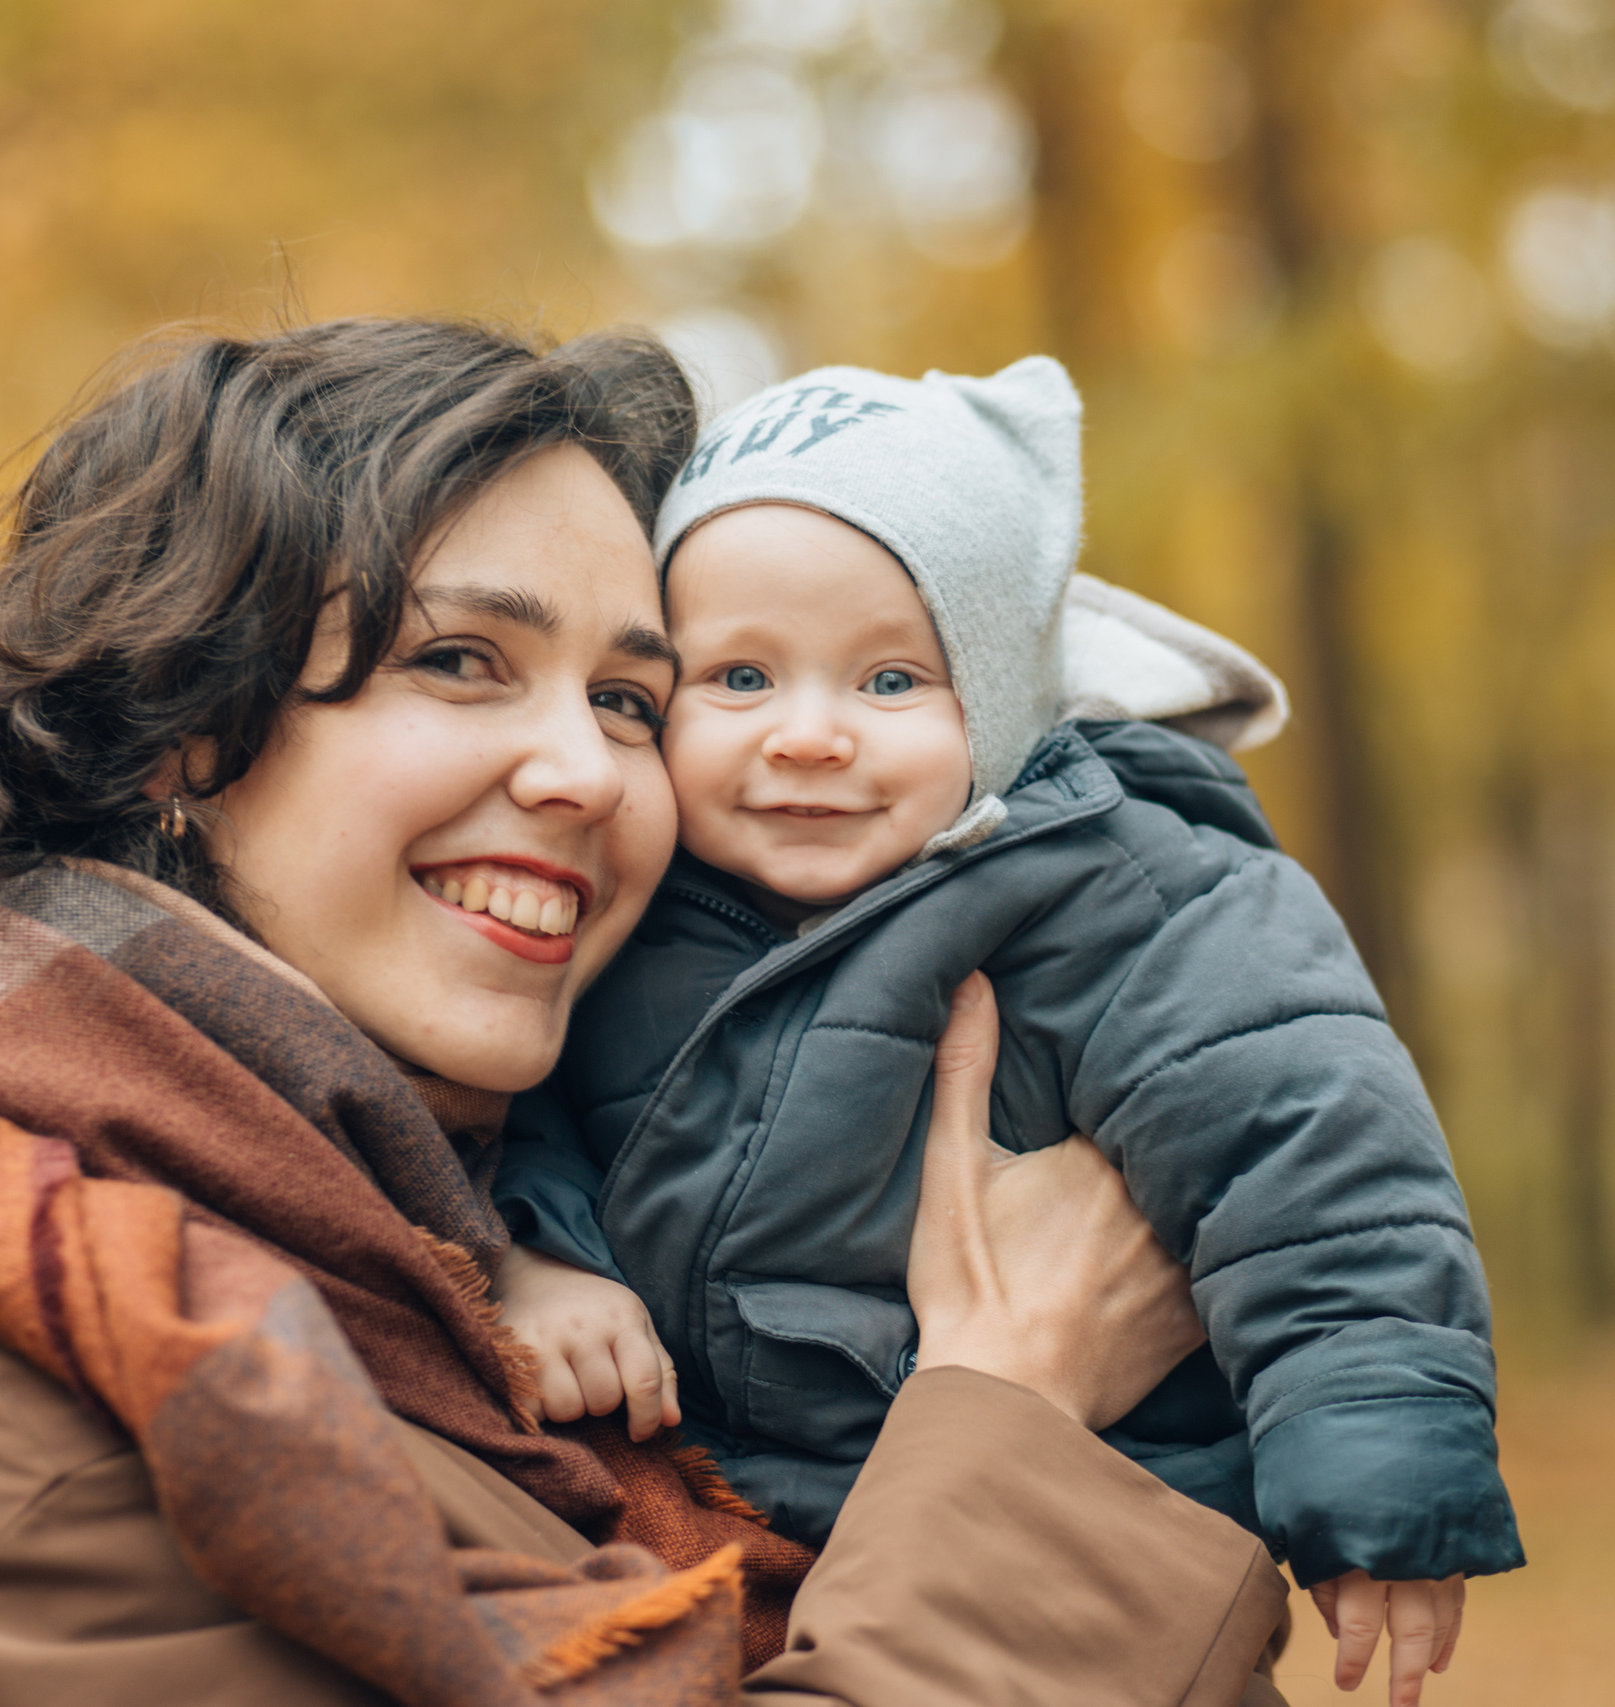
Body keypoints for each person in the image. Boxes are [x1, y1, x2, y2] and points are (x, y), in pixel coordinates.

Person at [0, 320, 1300, 1707]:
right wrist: (1016, 1412)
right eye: (461, 661)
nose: (584, 773)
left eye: (633, 698)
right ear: (186, 723)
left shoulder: (418, 1255)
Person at [490, 358, 1522, 1707]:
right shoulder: (638, 898)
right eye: (741, 676)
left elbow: (1312, 1150)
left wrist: (1376, 1449)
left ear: (1004, 697)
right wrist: (540, 1256)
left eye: (889, 680)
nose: (808, 737)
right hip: (776, 1569)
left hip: (1099, 1564)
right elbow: (525, 1108)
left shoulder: (1129, 891)